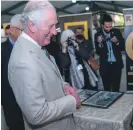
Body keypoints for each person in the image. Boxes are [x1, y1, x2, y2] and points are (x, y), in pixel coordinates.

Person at [8, 1, 80, 130]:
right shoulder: (23, 61)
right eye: (51, 26)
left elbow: (44, 79)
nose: (54, 32)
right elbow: (37, 114)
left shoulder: (36, 47)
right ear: (32, 26)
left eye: (55, 26)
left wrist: (63, 87)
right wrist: (71, 101)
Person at [1, 14, 25, 130]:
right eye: (22, 30)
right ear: (11, 30)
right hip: (11, 104)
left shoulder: (31, 48)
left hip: (31, 104)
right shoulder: (2, 50)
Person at [94, 14, 125, 92]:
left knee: (116, 88)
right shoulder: (97, 35)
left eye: (110, 26)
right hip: (105, 66)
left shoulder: (117, 32)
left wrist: (117, 41)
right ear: (102, 25)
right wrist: (99, 43)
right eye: (106, 27)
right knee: (106, 89)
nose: (109, 28)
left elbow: (123, 47)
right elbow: (98, 52)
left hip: (116, 65)